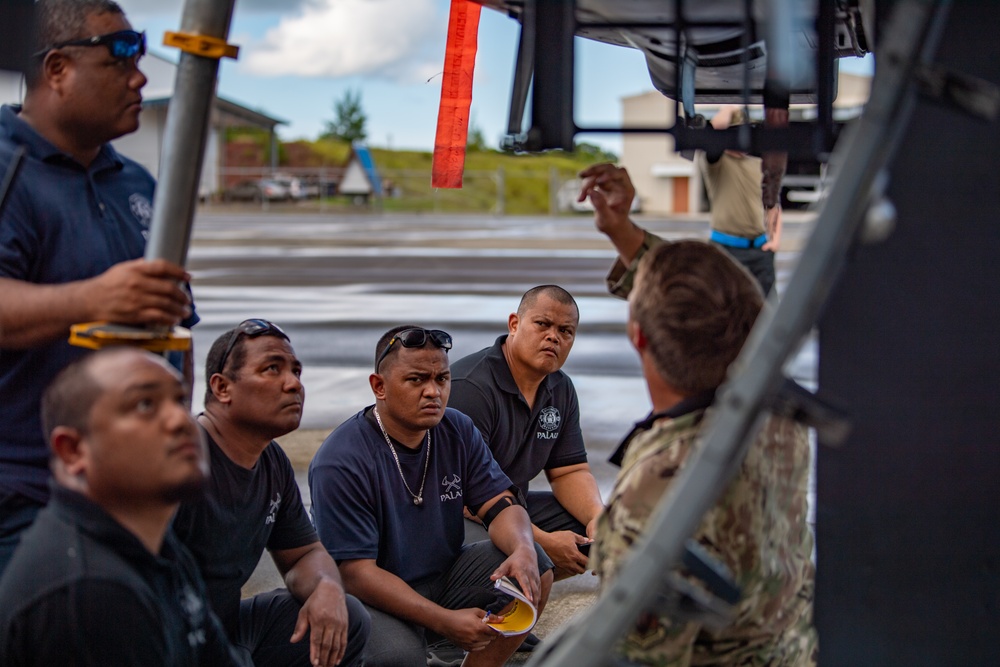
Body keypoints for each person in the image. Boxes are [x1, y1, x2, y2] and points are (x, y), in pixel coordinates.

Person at [0, 0, 196, 578]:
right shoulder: (7, 169)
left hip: (133, 490)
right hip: (25, 495)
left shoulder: (137, 182)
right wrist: (91, 299)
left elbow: (174, 324)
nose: (139, 77)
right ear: (56, 69)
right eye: (119, 57)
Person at [590, 241, 817, 666]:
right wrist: (621, 231)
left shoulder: (657, 486)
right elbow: (717, 300)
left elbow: (639, 658)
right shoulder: (779, 420)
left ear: (637, 335)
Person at [309, 325, 554, 667]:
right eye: (416, 380)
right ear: (379, 386)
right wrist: (443, 621)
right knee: (399, 657)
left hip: (443, 576)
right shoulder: (342, 459)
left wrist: (524, 548)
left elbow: (500, 506)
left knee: (536, 568)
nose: (433, 392)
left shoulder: (456, 429)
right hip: (368, 600)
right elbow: (355, 573)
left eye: (442, 379)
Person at [0, 348, 241, 666]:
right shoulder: (89, 590)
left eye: (180, 401)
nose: (180, 421)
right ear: (73, 450)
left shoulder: (155, 547)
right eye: (144, 405)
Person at [172, 319, 370, 667]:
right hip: (166, 632)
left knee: (348, 618)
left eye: (296, 370)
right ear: (221, 388)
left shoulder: (271, 461)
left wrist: (325, 586)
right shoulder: (180, 460)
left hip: (228, 624)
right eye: (271, 369)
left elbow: (304, 553)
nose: (293, 383)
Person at [449, 285, 603, 579]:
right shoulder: (472, 389)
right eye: (543, 324)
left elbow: (569, 471)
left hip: (510, 507)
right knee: (538, 561)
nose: (553, 337)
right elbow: (468, 496)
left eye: (565, 331)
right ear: (514, 324)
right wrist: (540, 541)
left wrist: (599, 518)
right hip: (454, 514)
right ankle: (479, 607)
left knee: (607, 533)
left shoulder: (560, 388)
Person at [578, 106, 783, 297]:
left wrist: (774, 240)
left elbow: (774, 203)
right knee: (711, 306)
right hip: (726, 246)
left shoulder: (761, 163)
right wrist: (732, 106)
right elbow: (717, 129)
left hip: (760, 249)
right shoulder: (718, 161)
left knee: (768, 319)